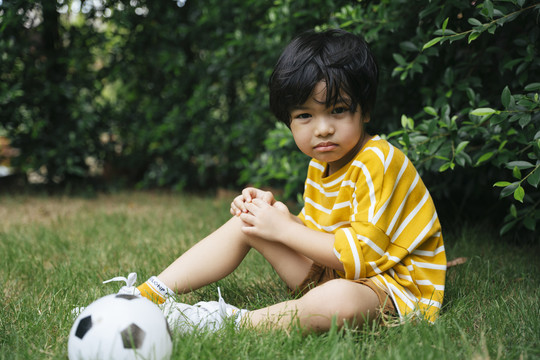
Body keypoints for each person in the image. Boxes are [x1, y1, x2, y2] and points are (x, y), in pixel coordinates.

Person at [107, 29, 446, 333]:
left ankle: (223, 322)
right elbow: (318, 237)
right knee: (251, 219)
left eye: (338, 110)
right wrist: (275, 217)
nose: (323, 128)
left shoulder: (379, 160)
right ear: (289, 121)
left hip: (391, 290)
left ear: (365, 110)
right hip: (342, 274)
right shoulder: (321, 164)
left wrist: (283, 228)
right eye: (305, 116)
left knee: (338, 300)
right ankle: (145, 295)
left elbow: (360, 256)